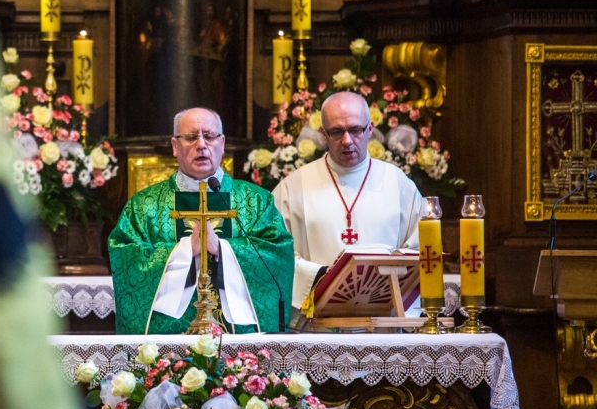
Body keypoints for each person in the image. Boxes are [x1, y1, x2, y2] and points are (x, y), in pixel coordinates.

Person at [108, 108, 294, 334]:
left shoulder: (256, 201)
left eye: (209, 136)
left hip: (241, 342)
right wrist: (186, 249)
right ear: (175, 146)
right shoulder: (144, 206)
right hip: (166, 342)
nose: (202, 145)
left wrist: (222, 248)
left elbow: (278, 254)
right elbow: (126, 259)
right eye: (190, 137)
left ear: (222, 143)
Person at [272, 92, 423, 314]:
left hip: (383, 324)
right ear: (323, 134)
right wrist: (325, 279)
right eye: (336, 132)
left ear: (370, 129)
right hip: (316, 325)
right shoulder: (292, 188)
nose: (347, 141)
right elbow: (275, 254)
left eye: (355, 130)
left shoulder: (399, 184)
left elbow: (419, 251)